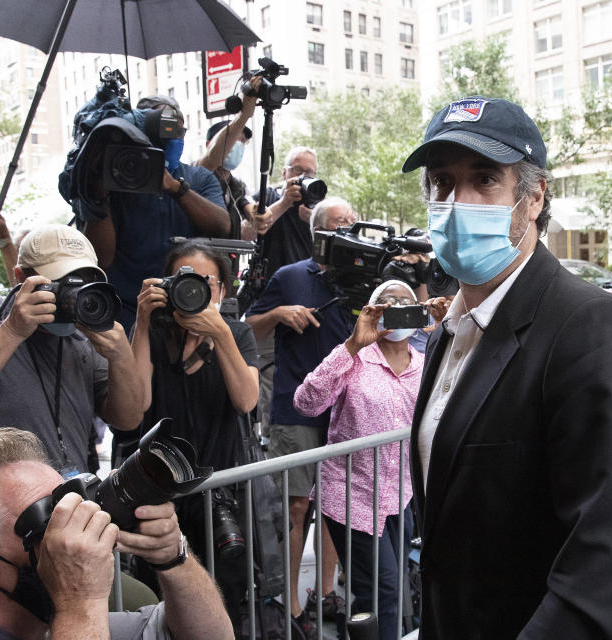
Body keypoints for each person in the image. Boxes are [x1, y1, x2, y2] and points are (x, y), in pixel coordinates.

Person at [402, 96, 612, 639]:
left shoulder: (588, 328)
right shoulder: (453, 328)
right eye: (442, 182)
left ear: (533, 197)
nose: (457, 202)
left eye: (484, 180)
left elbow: (609, 566)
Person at [0, 427, 232, 640]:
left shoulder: (49, 623)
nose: (72, 534)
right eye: (53, 520)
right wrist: (81, 604)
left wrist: (173, 557)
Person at [0, 224, 144, 475]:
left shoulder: (83, 338)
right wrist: (12, 331)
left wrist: (120, 357)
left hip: (62, 504)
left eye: (85, 281)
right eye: (61, 282)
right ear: (20, 277)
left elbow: (127, 420)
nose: (73, 294)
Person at [128, 239, 258, 622]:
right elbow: (138, 405)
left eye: (206, 282)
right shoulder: (152, 333)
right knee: (159, 599)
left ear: (220, 290)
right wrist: (142, 321)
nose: (194, 288)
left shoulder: (237, 333)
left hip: (218, 494)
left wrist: (219, 334)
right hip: (158, 492)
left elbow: (246, 400)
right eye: (183, 279)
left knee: (222, 596)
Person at [245, 197, 356, 629]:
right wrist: (278, 312)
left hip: (349, 410)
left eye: (352, 222)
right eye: (340, 223)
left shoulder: (364, 279)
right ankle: (288, 606)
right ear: (320, 234)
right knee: (294, 508)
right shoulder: (290, 276)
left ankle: (324, 595)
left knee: (336, 508)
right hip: (295, 408)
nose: (348, 228)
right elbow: (249, 325)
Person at [293, 280, 421, 640]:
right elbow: (305, 402)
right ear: (372, 311)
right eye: (387, 301)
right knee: (384, 591)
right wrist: (351, 345)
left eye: (405, 301)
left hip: (401, 497)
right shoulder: (355, 358)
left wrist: (447, 328)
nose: (397, 306)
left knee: (387, 591)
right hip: (351, 496)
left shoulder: (426, 364)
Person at [83, 95, 231, 331]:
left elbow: (222, 225)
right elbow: (101, 258)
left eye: (179, 130)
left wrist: (175, 187)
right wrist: (103, 192)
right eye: (164, 129)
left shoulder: (198, 178)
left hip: (187, 305)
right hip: (127, 309)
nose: (173, 137)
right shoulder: (119, 180)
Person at [197, 78, 261, 242]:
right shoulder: (197, 176)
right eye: (233, 140)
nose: (238, 146)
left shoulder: (238, 187)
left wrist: (261, 216)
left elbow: (253, 222)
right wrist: (244, 115)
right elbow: (211, 160)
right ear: (209, 145)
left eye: (243, 142)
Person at [245, 146, 320, 283]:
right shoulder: (267, 197)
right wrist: (284, 203)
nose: (302, 176)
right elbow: (245, 233)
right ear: (285, 173)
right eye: (297, 170)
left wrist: (314, 219)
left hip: (306, 282)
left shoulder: (319, 205)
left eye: (308, 172)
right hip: (269, 282)